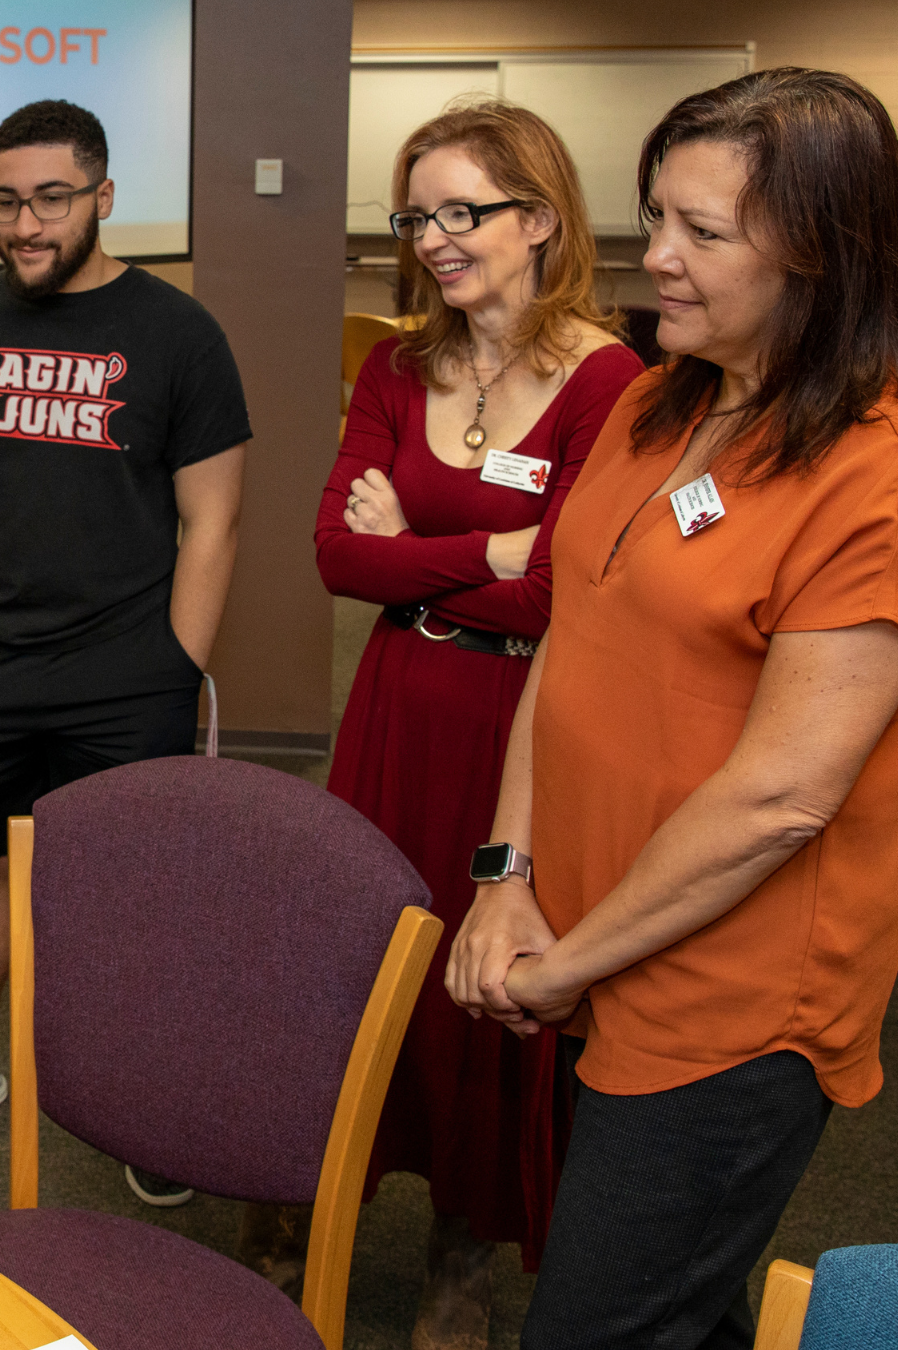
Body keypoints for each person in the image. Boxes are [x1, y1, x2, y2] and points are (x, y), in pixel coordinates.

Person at [449, 68, 898, 1349]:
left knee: (598, 1323)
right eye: (657, 220)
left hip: (729, 1000)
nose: (656, 262)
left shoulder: (872, 477)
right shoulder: (658, 398)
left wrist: (565, 963)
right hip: (590, 924)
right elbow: (569, 635)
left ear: (825, 254)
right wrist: (508, 873)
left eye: (703, 234)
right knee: (673, 1309)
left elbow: (783, 799)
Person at [313, 103, 641, 1345]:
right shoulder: (400, 365)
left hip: (521, 715)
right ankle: (316, 1184)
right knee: (365, 955)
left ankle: (463, 1252)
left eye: (464, 212)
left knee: (487, 979)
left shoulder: (610, 380)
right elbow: (339, 559)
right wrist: (489, 545)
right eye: (416, 215)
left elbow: (564, 593)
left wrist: (424, 548)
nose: (434, 240)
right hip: (397, 701)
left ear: (541, 219)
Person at [0, 99, 248, 1171]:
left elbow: (214, 517)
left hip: (122, 664)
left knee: (127, 880)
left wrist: (173, 665)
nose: (25, 224)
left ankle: (139, 1091)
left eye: (50, 198)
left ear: (103, 197)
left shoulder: (179, 335)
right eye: (6, 199)